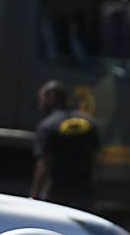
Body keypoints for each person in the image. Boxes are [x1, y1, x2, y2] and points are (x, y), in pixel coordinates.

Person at [30, 80, 101, 211]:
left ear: (51, 96)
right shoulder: (90, 123)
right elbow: (96, 160)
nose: (40, 105)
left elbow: (44, 165)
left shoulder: (47, 125)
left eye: (42, 99)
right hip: (84, 196)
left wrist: (34, 198)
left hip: (57, 195)